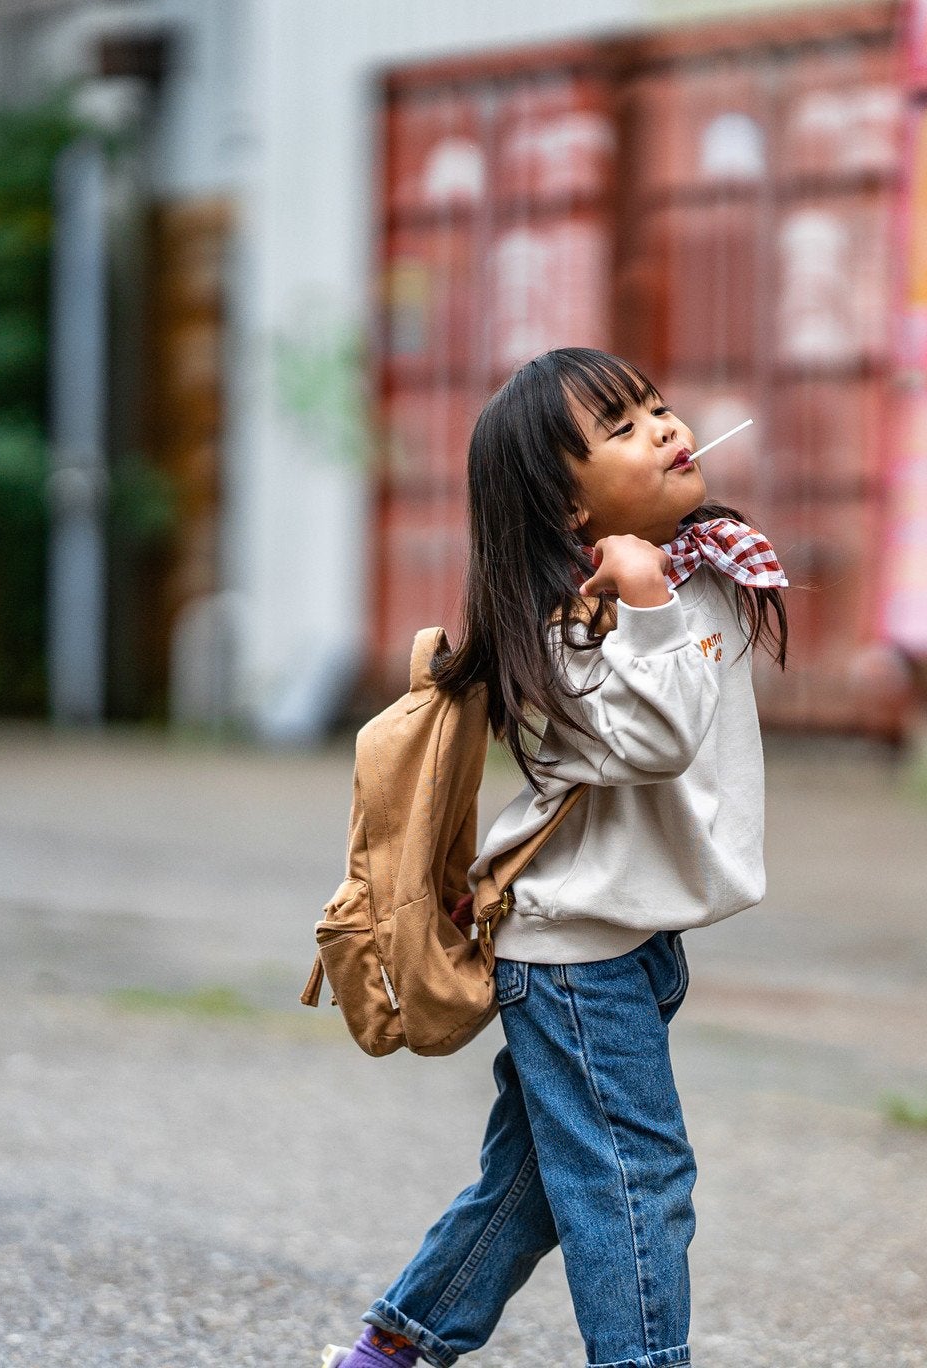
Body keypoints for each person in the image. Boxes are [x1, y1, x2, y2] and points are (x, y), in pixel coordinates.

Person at [323, 347, 788, 1368]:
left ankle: (392, 1349)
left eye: (657, 409)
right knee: (636, 1179)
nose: (665, 428)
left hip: (629, 939)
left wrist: (663, 586)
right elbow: (656, 742)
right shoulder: (569, 626)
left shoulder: (684, 572)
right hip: (573, 956)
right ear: (566, 513)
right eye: (621, 429)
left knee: (534, 1181)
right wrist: (647, 603)